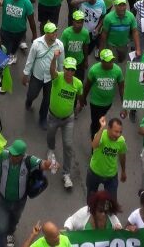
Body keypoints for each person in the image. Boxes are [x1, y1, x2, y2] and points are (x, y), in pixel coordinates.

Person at [0, 136, 54, 247]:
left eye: (14, 155)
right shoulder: (3, 156)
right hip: (2, 200)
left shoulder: (29, 160)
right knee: (0, 227)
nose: (11, 156)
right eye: (11, 153)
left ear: (21, 156)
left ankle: (10, 233)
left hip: (20, 201)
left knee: (14, 220)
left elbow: (43, 164)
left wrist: (50, 164)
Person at [46, 55, 83, 189]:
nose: (69, 72)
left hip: (68, 119)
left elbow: (79, 96)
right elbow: (51, 70)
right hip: (53, 117)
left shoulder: (78, 83)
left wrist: (79, 105)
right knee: (50, 136)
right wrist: (54, 58)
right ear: (63, 69)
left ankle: (66, 174)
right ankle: (51, 149)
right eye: (67, 69)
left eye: (72, 70)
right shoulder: (57, 78)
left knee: (68, 145)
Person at [22, 22, 65, 129]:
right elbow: (30, 60)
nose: (55, 34)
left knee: (47, 100)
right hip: (37, 76)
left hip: (51, 78)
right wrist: (26, 74)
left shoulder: (59, 45)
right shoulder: (37, 44)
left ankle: (42, 118)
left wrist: (60, 77)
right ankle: (29, 100)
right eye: (52, 32)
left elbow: (61, 62)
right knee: (32, 94)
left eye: (55, 31)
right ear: (46, 33)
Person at [86, 115, 127, 198]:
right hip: (94, 173)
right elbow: (94, 145)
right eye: (116, 131)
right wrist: (101, 128)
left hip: (111, 176)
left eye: (120, 132)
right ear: (108, 128)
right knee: (91, 199)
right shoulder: (101, 135)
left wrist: (123, 171)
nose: (118, 135)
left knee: (111, 202)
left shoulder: (121, 141)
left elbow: (122, 156)